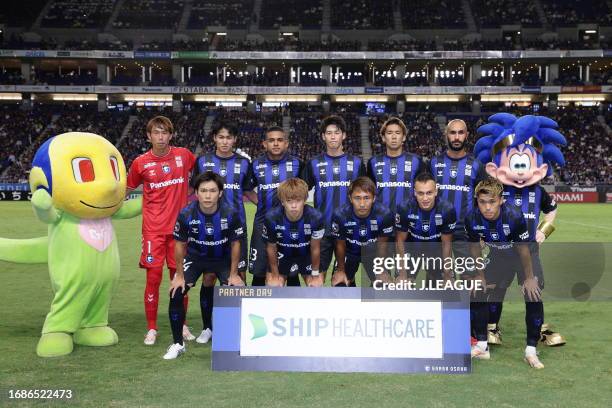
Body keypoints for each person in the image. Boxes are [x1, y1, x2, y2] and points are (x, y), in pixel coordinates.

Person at [126, 115, 196, 346]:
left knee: (179, 279)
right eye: (156, 132)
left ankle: (183, 325)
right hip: (153, 232)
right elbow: (125, 189)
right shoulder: (140, 163)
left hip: (179, 232)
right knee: (153, 279)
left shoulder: (184, 156)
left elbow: (203, 173)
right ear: (149, 136)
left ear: (171, 135)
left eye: (164, 132)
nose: (160, 136)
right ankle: (152, 328)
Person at [164, 171, 245, 360]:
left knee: (235, 290)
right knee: (176, 293)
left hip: (222, 258)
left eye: (212, 191)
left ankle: (232, 342)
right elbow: (179, 245)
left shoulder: (231, 213)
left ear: (220, 193)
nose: (208, 195)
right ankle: (178, 344)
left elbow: (236, 244)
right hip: (197, 257)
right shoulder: (186, 214)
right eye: (203, 191)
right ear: (196, 193)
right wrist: (179, 276)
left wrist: (233, 274)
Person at [465, 177, 544, 369]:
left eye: (492, 201)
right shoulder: (472, 218)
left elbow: (523, 250)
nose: (487, 207)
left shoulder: (513, 215)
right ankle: (482, 346)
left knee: (532, 294)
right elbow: (475, 248)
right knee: (477, 290)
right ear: (477, 201)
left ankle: (531, 351)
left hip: (524, 255)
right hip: (499, 256)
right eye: (483, 202)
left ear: (501, 200)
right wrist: (481, 276)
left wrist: (529, 278)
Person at [191, 121, 254, 343]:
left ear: (234, 140)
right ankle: (208, 328)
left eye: (229, 137)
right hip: (209, 231)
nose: (225, 141)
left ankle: (237, 328)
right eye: (221, 137)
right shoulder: (203, 162)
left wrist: (268, 208)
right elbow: (193, 192)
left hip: (236, 229)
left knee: (238, 277)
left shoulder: (245, 163)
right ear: (215, 139)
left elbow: (249, 191)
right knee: (208, 277)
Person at [302, 115, 366, 281]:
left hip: (349, 231)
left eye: (336, 133)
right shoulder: (313, 163)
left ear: (343, 135)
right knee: (315, 280)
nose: (332, 136)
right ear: (323, 136)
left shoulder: (357, 163)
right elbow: (300, 194)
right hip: (321, 231)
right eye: (328, 133)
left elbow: (365, 197)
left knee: (344, 280)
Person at [249, 126, 303, 286]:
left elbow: (304, 189)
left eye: (280, 140)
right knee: (259, 272)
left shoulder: (297, 164)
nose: (276, 144)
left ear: (286, 143)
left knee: (292, 273)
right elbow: (247, 188)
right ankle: (254, 309)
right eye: (271, 140)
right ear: (264, 144)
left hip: (290, 225)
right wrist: (261, 203)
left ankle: (295, 311)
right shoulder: (255, 164)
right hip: (262, 224)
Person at [330, 177, 394, 286]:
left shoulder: (384, 214)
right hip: (349, 253)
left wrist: (381, 269)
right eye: (357, 198)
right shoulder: (340, 215)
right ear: (350, 198)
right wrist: (341, 270)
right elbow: (340, 245)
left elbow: (382, 245)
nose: (362, 203)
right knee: (340, 285)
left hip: (373, 254)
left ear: (374, 198)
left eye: (367, 198)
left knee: (383, 285)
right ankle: (351, 280)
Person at [395, 172, 456, 282]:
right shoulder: (404, 207)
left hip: (436, 251)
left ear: (436, 192)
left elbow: (446, 244)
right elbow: (400, 241)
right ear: (414, 193)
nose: (425, 198)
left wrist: (447, 274)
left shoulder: (447, 209)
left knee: (446, 287)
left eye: (429, 193)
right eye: (420, 193)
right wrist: (402, 272)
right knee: (403, 285)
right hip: (412, 250)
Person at [263, 178, 325, 287]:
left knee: (316, 286)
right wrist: (276, 275)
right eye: (289, 201)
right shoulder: (271, 218)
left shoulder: (316, 217)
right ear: (282, 201)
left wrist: (315, 274)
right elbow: (271, 247)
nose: (294, 206)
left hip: (306, 255)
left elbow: (315, 247)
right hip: (282, 255)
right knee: (274, 285)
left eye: (298, 200)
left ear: (305, 199)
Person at [367, 116, 424, 213]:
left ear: (404, 137)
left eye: (398, 133)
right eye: (389, 133)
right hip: (381, 219)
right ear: (383, 137)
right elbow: (369, 192)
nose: (394, 137)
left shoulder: (416, 161)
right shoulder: (373, 162)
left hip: (408, 219)